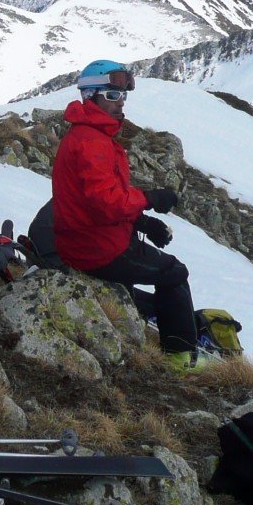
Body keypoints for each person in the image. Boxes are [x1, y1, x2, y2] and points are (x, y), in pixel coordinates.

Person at [50, 59, 201, 370]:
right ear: (90, 96)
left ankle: (152, 326)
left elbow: (96, 202)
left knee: (154, 274)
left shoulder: (89, 135)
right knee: (174, 273)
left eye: (123, 96)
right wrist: (151, 199)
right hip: (97, 249)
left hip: (85, 240)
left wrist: (141, 222)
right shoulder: (92, 142)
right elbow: (107, 202)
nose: (121, 103)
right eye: (112, 95)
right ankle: (180, 359)